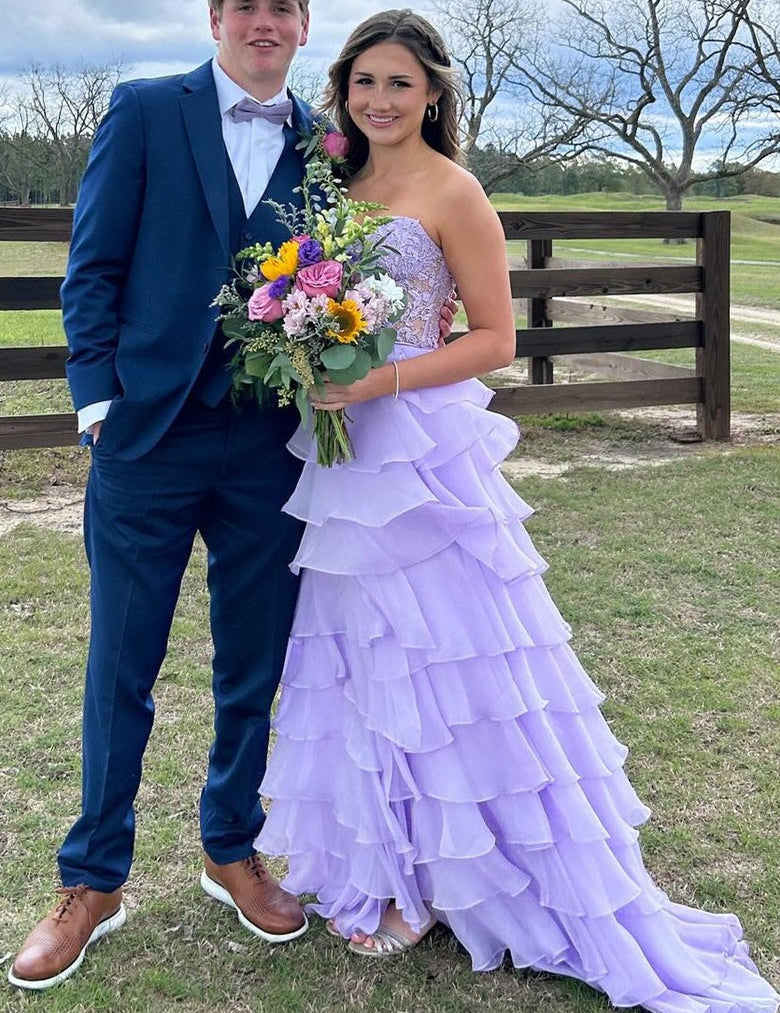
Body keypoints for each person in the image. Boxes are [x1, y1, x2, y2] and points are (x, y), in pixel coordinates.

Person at [255, 11, 780, 1012]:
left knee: (444, 655)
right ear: (344, 91)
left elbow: (495, 337)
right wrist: (302, 344)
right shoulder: (334, 185)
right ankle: (392, 864)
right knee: (361, 648)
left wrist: (379, 380)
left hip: (419, 444)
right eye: (365, 81)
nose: (379, 100)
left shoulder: (456, 192)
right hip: (343, 453)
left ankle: (458, 875)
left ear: (434, 94)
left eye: (399, 84)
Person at [8, 0, 318, 991]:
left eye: (285, 6)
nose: (264, 22)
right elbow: (91, 267)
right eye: (249, 5)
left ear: (303, 25)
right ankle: (91, 878)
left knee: (252, 659)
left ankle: (232, 846)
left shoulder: (326, 140)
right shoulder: (144, 111)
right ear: (218, 17)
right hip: (146, 439)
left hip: (270, 443)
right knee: (120, 661)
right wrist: (97, 402)